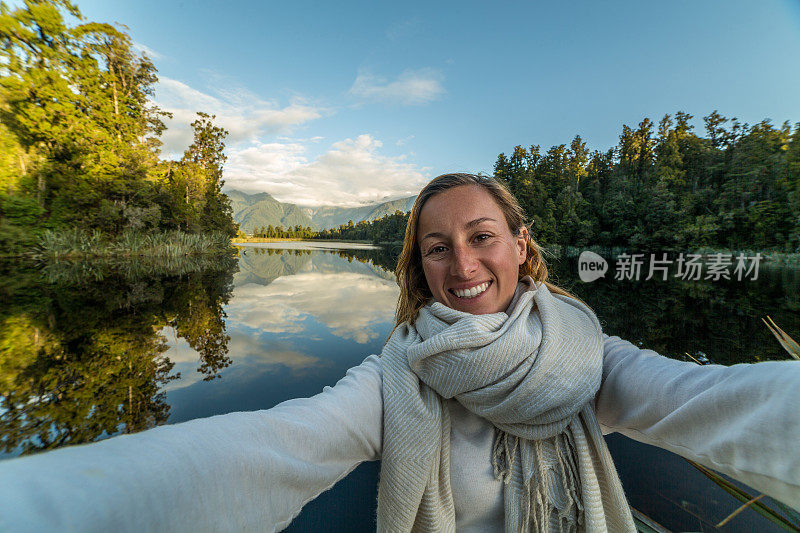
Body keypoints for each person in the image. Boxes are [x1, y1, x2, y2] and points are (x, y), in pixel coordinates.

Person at [0, 173, 798, 532]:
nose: (463, 266)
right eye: (436, 249)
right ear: (417, 266)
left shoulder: (590, 357)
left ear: (520, 246)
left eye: (482, 238)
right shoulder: (396, 370)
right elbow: (277, 443)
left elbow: (711, 400)